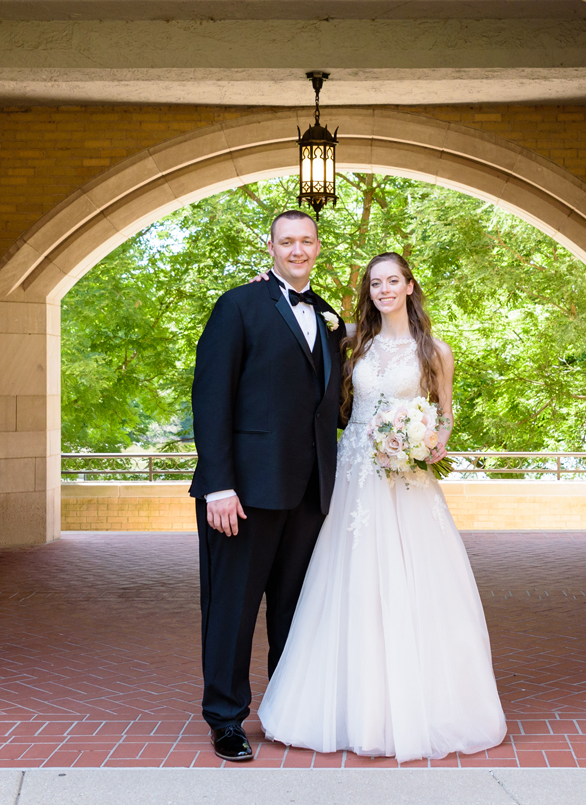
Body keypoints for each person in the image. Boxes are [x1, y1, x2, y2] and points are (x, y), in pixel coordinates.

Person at [255, 251, 508, 761]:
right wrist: (268, 284)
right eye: (375, 283)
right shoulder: (353, 339)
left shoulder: (435, 349)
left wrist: (433, 441)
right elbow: (295, 317)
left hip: (406, 480)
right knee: (348, 582)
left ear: (410, 286)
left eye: (393, 281)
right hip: (354, 474)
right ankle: (349, 705)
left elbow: (445, 413)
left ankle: (416, 708)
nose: (384, 290)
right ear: (369, 291)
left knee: (412, 582)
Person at [189, 209, 344, 763]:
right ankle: (226, 718)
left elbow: (333, 405)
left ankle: (284, 709)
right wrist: (217, 486)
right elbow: (210, 398)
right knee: (232, 608)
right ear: (271, 246)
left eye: (306, 241)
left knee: (292, 609)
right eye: (287, 242)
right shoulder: (238, 305)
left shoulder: (329, 317)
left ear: (318, 247)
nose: (297, 250)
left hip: (309, 492)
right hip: (245, 494)